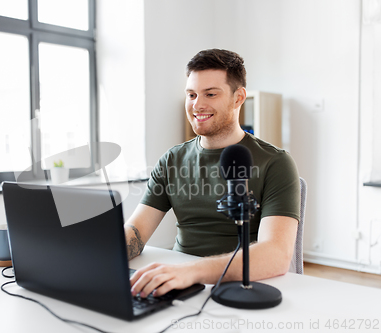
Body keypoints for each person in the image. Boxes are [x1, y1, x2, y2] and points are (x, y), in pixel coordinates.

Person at [125, 48, 300, 299]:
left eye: (210, 94)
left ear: (238, 97)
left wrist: (193, 271)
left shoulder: (275, 162)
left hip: (239, 286)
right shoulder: (172, 159)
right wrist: (100, 251)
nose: (197, 105)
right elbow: (137, 231)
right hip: (179, 283)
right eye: (191, 94)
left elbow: (276, 254)